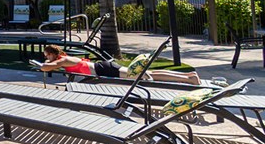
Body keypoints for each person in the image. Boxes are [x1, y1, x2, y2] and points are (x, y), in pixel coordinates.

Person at [37, 45, 207, 85]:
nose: (47, 58)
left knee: (145, 76)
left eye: (47, 55)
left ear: (53, 54)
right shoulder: (65, 58)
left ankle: (189, 80)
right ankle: (188, 76)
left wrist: (44, 63)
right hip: (105, 67)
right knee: (148, 73)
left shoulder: (62, 60)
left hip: (105, 69)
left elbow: (46, 67)